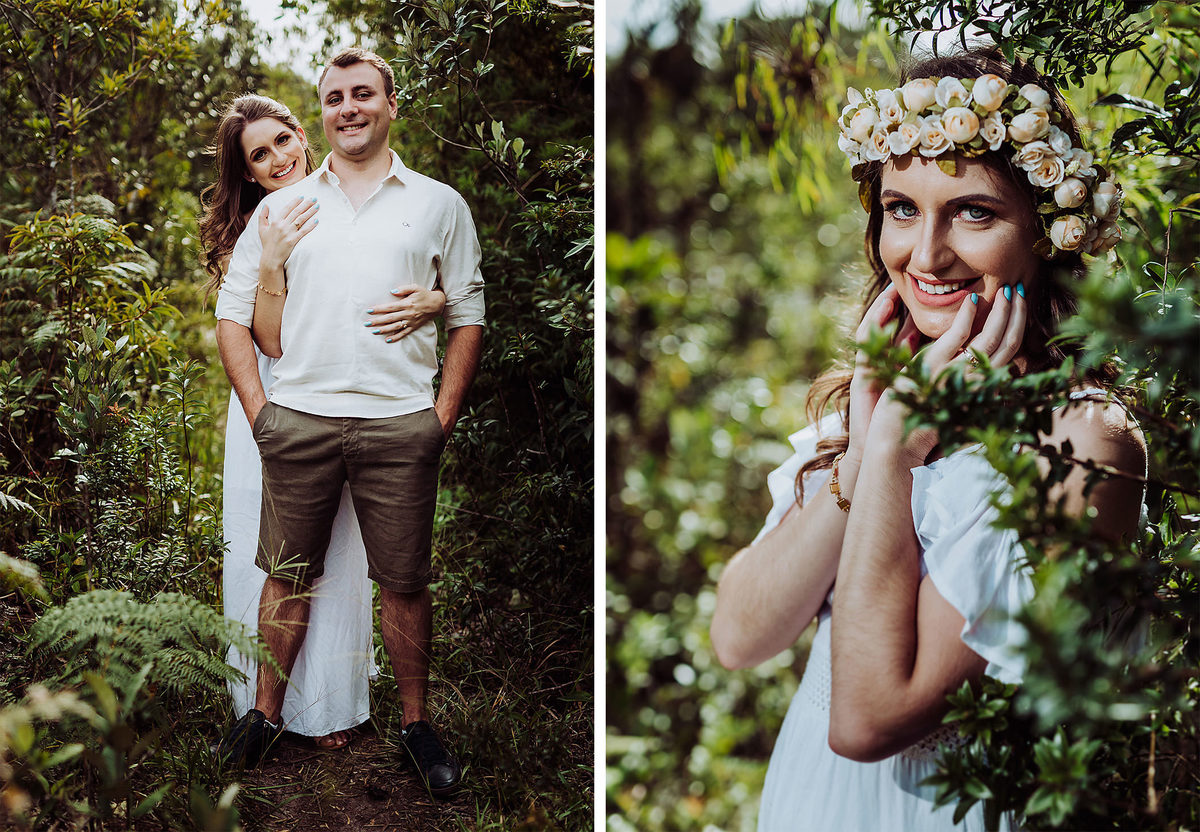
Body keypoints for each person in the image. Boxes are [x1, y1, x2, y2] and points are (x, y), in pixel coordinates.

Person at [709, 49, 1146, 831]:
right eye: (902, 209)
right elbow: (740, 635)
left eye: (974, 212)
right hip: (809, 802)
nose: (925, 255)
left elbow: (870, 720)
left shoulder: (1085, 443)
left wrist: (894, 457)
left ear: (1048, 234)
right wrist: (864, 445)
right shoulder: (882, 403)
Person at [212, 48, 485, 798]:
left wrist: (441, 417)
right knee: (288, 574)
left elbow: (467, 311)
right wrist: (263, 415)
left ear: (392, 104)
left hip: (401, 423)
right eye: (335, 98)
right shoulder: (284, 209)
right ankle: (265, 717)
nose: (349, 108)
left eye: (363, 94)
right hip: (298, 420)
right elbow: (234, 320)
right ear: (321, 112)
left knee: (402, 580)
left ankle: (416, 725)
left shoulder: (438, 204)